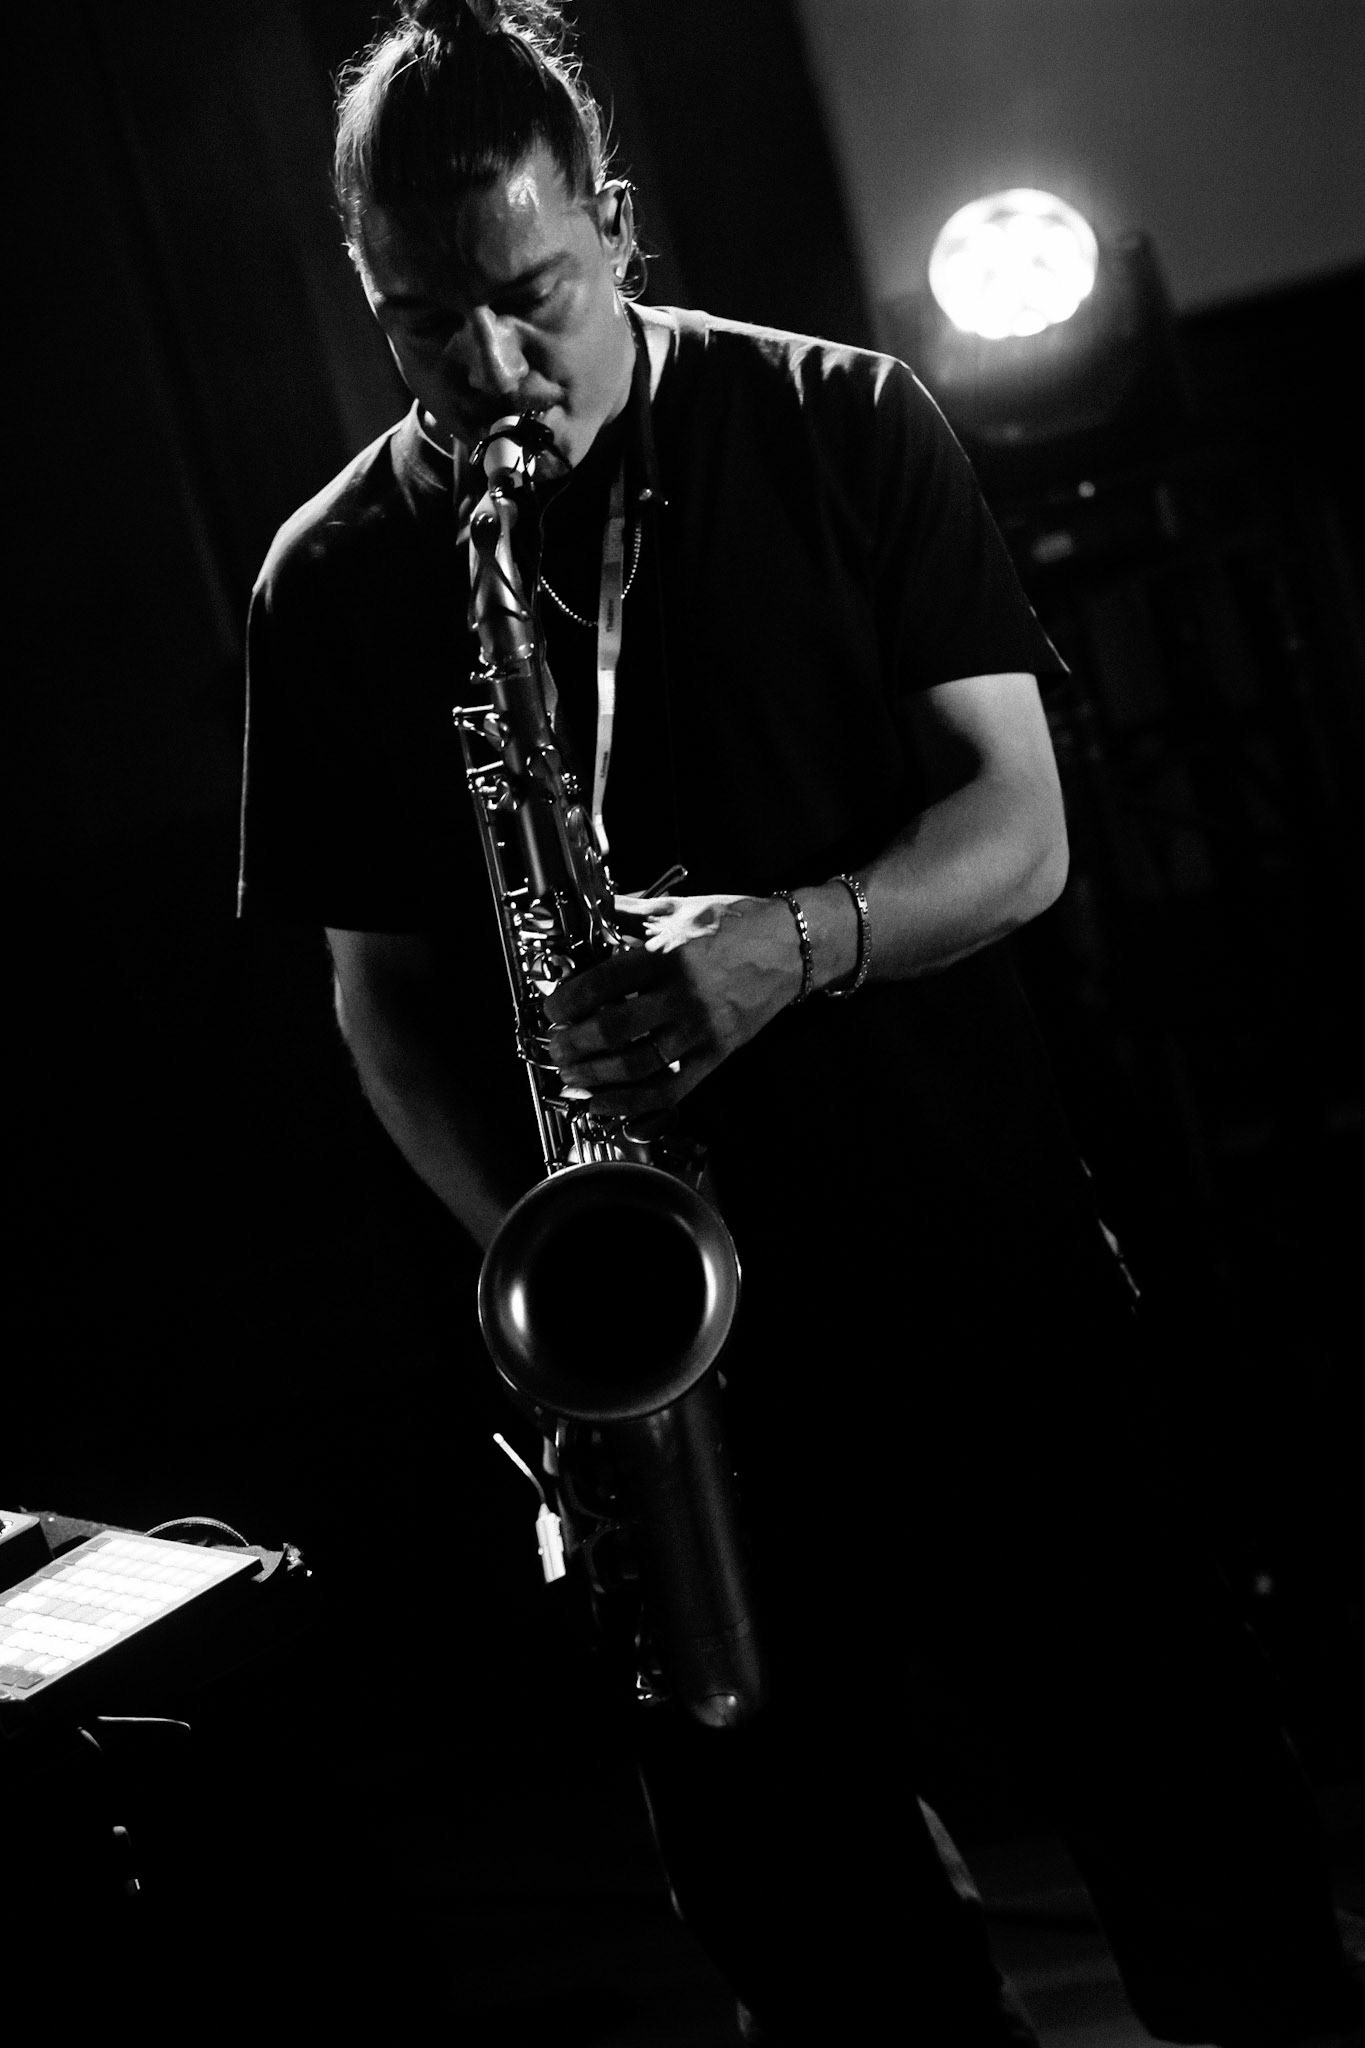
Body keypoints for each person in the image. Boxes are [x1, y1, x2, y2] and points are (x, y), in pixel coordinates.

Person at [238, 3, 1365, 2041]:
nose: (491, 374)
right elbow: (380, 999)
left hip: (978, 1279)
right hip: (687, 1391)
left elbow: (1016, 833)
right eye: (423, 327)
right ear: (362, 296)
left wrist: (790, 942)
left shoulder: (843, 418)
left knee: (1211, 1860)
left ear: (617, 228)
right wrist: (569, 1290)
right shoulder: (328, 586)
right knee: (821, 1947)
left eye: (531, 299)